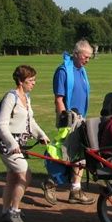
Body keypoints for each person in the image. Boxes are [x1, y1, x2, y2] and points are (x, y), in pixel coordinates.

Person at [0, 65, 50, 222]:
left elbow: (30, 121)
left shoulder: (26, 98)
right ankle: (14, 210)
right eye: (30, 80)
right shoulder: (10, 97)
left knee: (12, 178)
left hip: (19, 144)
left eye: (34, 80)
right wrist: (12, 144)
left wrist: (41, 135)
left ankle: (6, 212)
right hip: (8, 146)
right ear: (20, 81)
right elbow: (1, 124)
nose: (34, 83)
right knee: (25, 175)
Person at [43, 39, 95, 205]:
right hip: (68, 119)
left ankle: (75, 190)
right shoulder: (63, 71)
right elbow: (59, 99)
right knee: (64, 154)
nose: (87, 60)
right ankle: (50, 183)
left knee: (80, 156)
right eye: (85, 57)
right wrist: (65, 121)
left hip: (80, 119)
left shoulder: (81, 70)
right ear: (76, 54)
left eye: (89, 57)